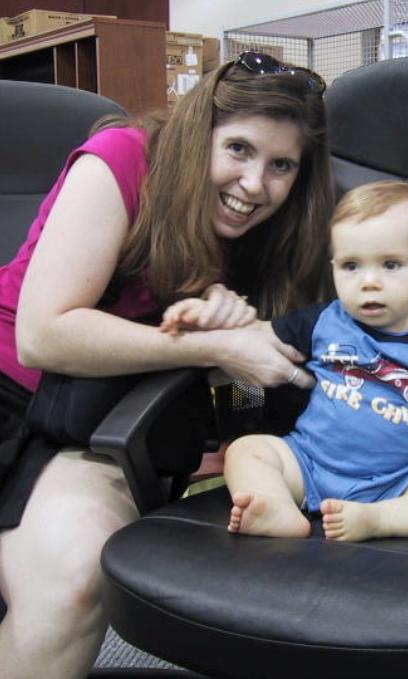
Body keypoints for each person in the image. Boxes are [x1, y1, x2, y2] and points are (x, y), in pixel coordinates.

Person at [0, 51, 334, 679]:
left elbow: (256, 375)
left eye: (281, 165)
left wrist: (233, 332)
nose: (254, 185)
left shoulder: (270, 231)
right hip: (10, 385)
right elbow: (41, 336)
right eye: (238, 149)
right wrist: (212, 346)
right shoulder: (123, 160)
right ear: (198, 132)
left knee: (76, 578)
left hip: (95, 426)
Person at [163, 181, 408, 543]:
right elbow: (256, 336)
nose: (369, 282)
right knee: (247, 450)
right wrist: (206, 319)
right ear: (334, 269)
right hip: (311, 463)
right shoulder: (323, 321)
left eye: (391, 265)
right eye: (351, 266)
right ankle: (275, 507)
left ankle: (381, 519)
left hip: (404, 478)